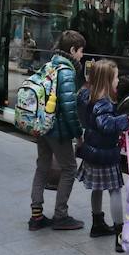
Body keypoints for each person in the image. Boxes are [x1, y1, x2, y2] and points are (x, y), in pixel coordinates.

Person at [76, 59, 129, 251]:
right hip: (105, 154)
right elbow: (105, 124)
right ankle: (121, 235)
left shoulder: (87, 95)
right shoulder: (103, 101)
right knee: (115, 189)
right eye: (116, 77)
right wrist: (126, 120)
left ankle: (97, 224)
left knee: (97, 188)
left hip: (93, 150)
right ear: (107, 80)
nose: (118, 80)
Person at [28, 29, 86, 231]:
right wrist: (78, 134)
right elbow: (69, 108)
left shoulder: (49, 65)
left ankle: (36, 216)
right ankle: (61, 215)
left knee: (42, 166)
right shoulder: (67, 71)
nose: (82, 56)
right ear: (72, 50)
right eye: (80, 51)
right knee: (69, 168)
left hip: (41, 125)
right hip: (57, 129)